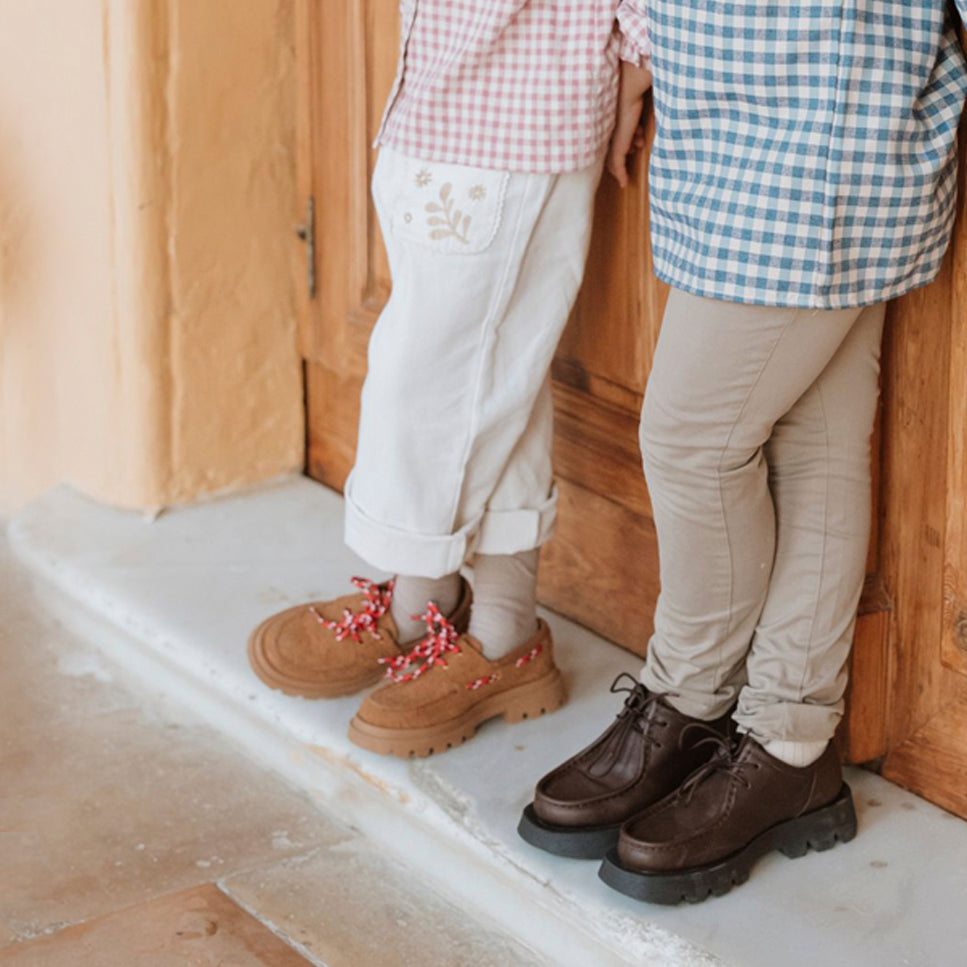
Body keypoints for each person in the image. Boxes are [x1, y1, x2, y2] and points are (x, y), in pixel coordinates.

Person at [518, 1, 967, 903]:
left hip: (830, 113)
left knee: (690, 442)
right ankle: (791, 747)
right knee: (817, 439)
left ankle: (689, 698)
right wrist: (644, 51)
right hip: (728, 91)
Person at [247, 2, 652, 758]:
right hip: (447, 92)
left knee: (431, 382)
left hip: (517, 102)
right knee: (495, 375)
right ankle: (496, 628)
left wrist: (639, 54)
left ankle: (426, 610)